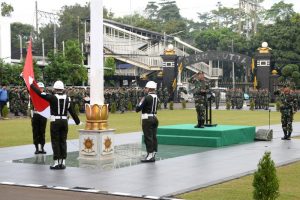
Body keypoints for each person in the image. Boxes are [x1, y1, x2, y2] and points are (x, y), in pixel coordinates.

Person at [30, 80, 80, 170]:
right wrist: (77, 122)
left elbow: (39, 93)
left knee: (55, 141)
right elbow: (72, 111)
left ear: (55, 89)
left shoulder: (52, 97)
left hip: (55, 122)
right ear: (63, 89)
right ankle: (63, 162)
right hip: (64, 122)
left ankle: (56, 162)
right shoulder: (68, 99)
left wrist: (31, 84)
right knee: (63, 141)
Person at [136, 81, 159, 163]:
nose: (145, 89)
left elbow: (137, 109)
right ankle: (153, 153)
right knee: (153, 136)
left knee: (148, 137)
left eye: (145, 88)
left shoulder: (146, 97)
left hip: (147, 119)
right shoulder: (156, 97)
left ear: (149, 88)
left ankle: (149, 155)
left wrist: (139, 102)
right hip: (155, 118)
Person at [31, 82, 48, 154]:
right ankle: (37, 148)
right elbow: (29, 88)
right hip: (36, 114)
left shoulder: (46, 95)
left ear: (43, 88)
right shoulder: (33, 95)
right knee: (35, 132)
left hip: (43, 115)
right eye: (39, 88)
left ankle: (42, 148)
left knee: (42, 132)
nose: (40, 89)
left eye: (41, 88)